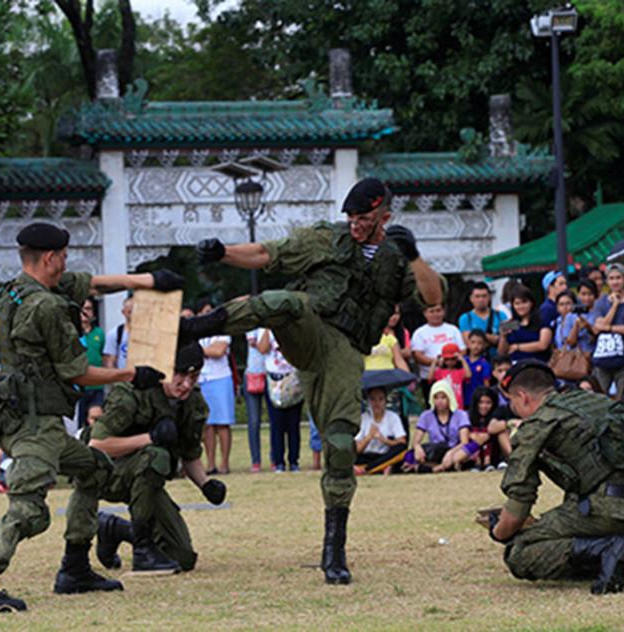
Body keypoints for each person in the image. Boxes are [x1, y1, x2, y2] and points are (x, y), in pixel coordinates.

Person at [181, 177, 443, 584]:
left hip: (344, 351)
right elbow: (268, 254)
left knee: (340, 443)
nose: (355, 224)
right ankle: (195, 328)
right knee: (285, 301)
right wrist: (222, 253)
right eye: (350, 216)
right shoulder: (326, 239)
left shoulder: (395, 258)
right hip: (307, 328)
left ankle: (334, 548)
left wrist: (413, 255)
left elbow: (433, 295)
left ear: (384, 217)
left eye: (364, 218)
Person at [0, 221, 184, 615]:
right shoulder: (46, 306)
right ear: (50, 258)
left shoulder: (13, 292)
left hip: (25, 414)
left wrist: (147, 280)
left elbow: (91, 284)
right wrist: (132, 373)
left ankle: (75, 568)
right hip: (34, 424)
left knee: (95, 467)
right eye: (63, 257)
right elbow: (78, 372)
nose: (66, 264)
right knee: (28, 509)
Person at [488, 360, 624, 594]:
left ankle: (605, 550)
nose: (514, 409)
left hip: (615, 507)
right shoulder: (592, 401)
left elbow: (518, 506)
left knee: (519, 552)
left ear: (523, 397)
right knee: (574, 505)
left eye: (513, 403)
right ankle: (606, 557)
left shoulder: (536, 425)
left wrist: (499, 532)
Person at [91, 343, 227, 575]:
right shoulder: (133, 392)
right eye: (180, 375)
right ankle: (142, 550)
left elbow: (189, 454)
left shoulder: (192, 403)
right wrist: (149, 438)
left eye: (194, 377)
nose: (186, 384)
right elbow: (97, 445)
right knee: (156, 455)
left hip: (146, 481)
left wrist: (206, 485)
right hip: (107, 474)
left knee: (182, 557)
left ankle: (114, 529)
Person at [195, 298, 235, 475]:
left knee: (222, 423)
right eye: (204, 312)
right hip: (201, 380)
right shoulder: (195, 332)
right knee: (207, 425)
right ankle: (210, 464)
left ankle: (224, 464)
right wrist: (205, 350)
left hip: (220, 378)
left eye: (210, 312)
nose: (207, 316)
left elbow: (218, 351)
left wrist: (198, 350)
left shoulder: (222, 330)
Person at [592, 263, 624, 394]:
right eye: (612, 278)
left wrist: (608, 328)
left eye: (618, 278)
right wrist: (614, 306)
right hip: (603, 357)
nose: (615, 282)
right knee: (600, 395)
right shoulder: (600, 302)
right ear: (607, 281)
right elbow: (597, 328)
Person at [258, 328, 303, 472]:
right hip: (274, 380)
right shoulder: (265, 329)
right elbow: (262, 349)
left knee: (293, 424)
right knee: (276, 424)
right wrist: (267, 327)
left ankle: (294, 461)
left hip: (292, 378)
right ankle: (278, 462)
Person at [403, 380, 470, 473]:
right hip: (435, 451)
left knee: (471, 447)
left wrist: (450, 453)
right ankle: (441, 467)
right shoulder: (426, 416)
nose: (440, 401)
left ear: (449, 398)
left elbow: (464, 442)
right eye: (436, 397)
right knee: (411, 454)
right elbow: (415, 442)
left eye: (443, 397)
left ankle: (432, 467)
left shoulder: (461, 415)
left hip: (455, 450)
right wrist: (417, 448)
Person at [411, 303, 464, 400]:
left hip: (454, 378)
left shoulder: (453, 330)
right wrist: (437, 362)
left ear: (443, 311)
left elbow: (463, 350)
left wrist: (450, 362)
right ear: (425, 313)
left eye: (438, 311)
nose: (435, 314)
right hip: (430, 378)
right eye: (431, 311)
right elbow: (417, 355)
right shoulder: (419, 333)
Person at [353, 386, 407, 475]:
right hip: (366, 456)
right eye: (373, 399)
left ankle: (367, 469)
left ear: (385, 401)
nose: (377, 403)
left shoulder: (393, 417)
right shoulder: (363, 418)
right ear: (368, 402)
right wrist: (368, 437)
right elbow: (357, 449)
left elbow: (402, 442)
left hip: (385, 456)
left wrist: (383, 439)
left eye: (380, 399)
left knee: (401, 449)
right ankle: (380, 468)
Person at [497, 285, 553, 363]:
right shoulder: (511, 324)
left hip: (538, 364)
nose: (521, 306)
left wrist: (517, 347)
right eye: (517, 303)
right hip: (515, 364)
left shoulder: (541, 322)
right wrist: (503, 336)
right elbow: (502, 353)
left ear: (531, 303)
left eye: (524, 302)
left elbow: (543, 345)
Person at [77, 298, 106, 429]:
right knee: (79, 423)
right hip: (78, 387)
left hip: (97, 385)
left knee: (96, 421)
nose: (85, 312)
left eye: (88, 309)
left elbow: (103, 356)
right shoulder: (72, 333)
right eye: (82, 309)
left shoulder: (99, 333)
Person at [458, 282, 507, 360]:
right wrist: (496, 339)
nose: (481, 299)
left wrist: (479, 337)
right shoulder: (465, 318)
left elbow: (507, 340)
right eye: (477, 296)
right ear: (471, 298)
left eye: (484, 296)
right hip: (476, 362)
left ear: (489, 297)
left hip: (498, 360)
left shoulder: (501, 315)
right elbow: (469, 343)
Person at [244, 328, 268, 473]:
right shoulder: (252, 326)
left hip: (272, 374)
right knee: (253, 421)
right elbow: (263, 347)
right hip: (253, 374)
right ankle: (256, 461)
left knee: (275, 422)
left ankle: (276, 460)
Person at [427, 342, 471, 409]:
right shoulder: (439, 371)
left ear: (457, 359)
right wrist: (435, 362)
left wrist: (462, 360)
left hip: (457, 405)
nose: (450, 362)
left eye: (453, 359)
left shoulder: (460, 371)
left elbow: (468, 375)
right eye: (447, 359)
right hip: (443, 405)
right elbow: (429, 378)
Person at [103, 296, 133, 370]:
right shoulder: (115, 334)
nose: (133, 314)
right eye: (130, 312)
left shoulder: (149, 334)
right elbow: (110, 362)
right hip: (124, 375)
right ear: (123, 312)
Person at [462, 329, 491, 407]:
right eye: (473, 342)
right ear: (468, 344)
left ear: (485, 345)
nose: (476, 346)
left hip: (477, 400)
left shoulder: (484, 364)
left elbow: (486, 384)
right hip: (462, 398)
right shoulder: (462, 361)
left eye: (480, 343)